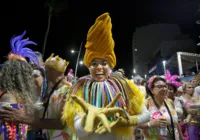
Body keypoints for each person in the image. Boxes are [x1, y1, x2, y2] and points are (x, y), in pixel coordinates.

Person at [62, 13, 150, 140]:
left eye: (104, 63)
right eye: (94, 63)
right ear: (88, 66)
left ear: (110, 65)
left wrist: (128, 121)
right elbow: (79, 132)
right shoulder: (80, 88)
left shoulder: (124, 86)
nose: (99, 67)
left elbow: (146, 115)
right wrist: (89, 119)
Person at [0, 30, 40, 140]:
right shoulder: (9, 98)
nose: (30, 78)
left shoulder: (18, 96)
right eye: (27, 74)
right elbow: (5, 133)